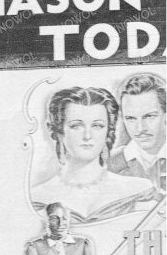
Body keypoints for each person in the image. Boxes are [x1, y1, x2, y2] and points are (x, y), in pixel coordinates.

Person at [28, 84, 156, 223]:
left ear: (108, 130)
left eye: (97, 126)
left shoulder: (138, 190)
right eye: (76, 126)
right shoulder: (37, 197)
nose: (87, 135)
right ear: (58, 130)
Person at [107, 71, 166, 192]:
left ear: (166, 114)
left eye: (149, 116)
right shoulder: (109, 165)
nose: (140, 129)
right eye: (131, 118)